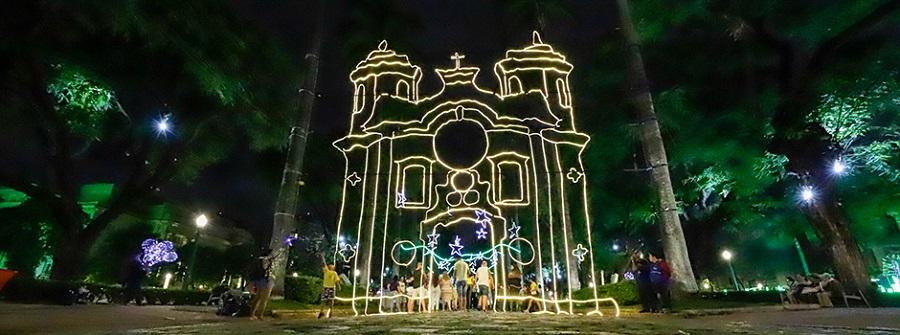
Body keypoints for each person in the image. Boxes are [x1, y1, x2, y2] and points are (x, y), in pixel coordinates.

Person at [247, 248, 274, 320]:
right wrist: (269, 263)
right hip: (265, 280)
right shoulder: (265, 260)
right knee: (264, 299)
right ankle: (260, 315)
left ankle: (252, 314)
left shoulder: (259, 260)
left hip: (259, 280)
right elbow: (265, 269)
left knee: (258, 297)